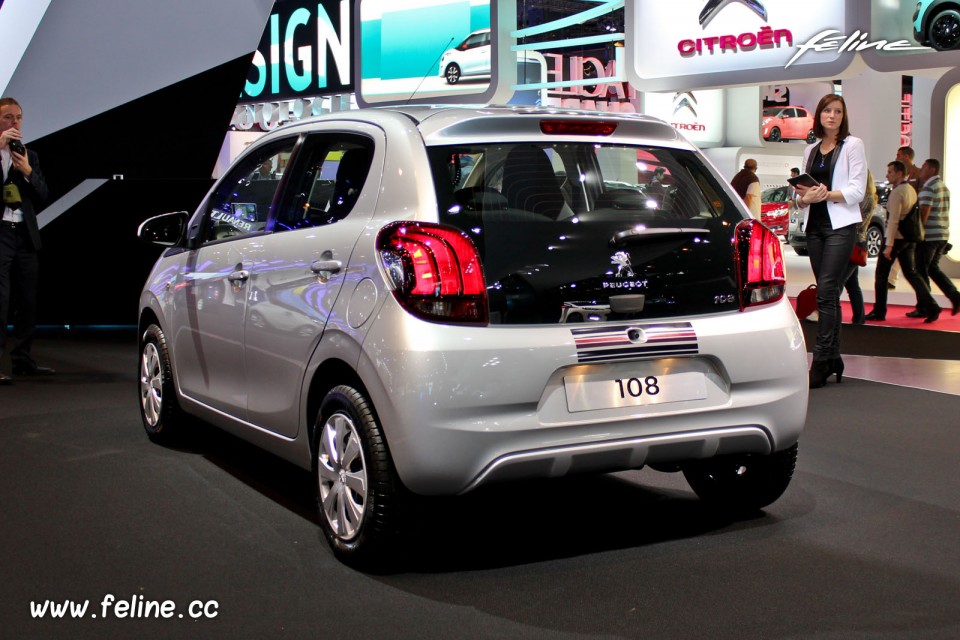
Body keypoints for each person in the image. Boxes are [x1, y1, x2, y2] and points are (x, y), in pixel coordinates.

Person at [793, 94, 866, 389]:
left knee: (825, 292)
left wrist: (825, 194)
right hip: (815, 228)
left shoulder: (853, 145)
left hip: (840, 227)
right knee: (830, 294)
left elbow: (857, 190)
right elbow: (799, 196)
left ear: (843, 116)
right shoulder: (810, 149)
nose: (832, 116)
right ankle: (834, 358)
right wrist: (804, 198)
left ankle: (821, 359)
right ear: (819, 115)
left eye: (837, 111)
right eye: (827, 110)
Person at [0, 97, 52, 385]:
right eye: (8, 117)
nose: (14, 123)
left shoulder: (29, 155)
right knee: (1, 300)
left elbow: (43, 194)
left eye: (18, 117)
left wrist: (28, 173)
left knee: (27, 301)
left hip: (25, 235)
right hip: (1, 234)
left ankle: (23, 360)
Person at [863, 161, 940, 323]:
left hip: (896, 239)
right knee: (911, 273)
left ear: (899, 174)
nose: (887, 175)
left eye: (890, 172)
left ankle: (879, 311)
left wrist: (888, 245)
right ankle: (932, 305)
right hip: (908, 238)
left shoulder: (898, 192)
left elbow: (893, 221)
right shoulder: (910, 190)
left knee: (882, 275)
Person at [911, 158, 959, 316]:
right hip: (942, 235)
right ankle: (954, 296)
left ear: (931, 170)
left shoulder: (928, 188)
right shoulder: (943, 187)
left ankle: (925, 306)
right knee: (932, 268)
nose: (921, 170)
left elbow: (924, 213)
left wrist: (918, 235)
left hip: (929, 237)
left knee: (920, 270)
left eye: (923, 167)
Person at [841, 170, 877, 325]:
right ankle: (859, 318)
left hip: (855, 243)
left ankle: (824, 314)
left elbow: (857, 221)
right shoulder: (864, 197)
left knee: (839, 281)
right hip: (854, 242)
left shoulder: (867, 198)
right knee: (852, 284)